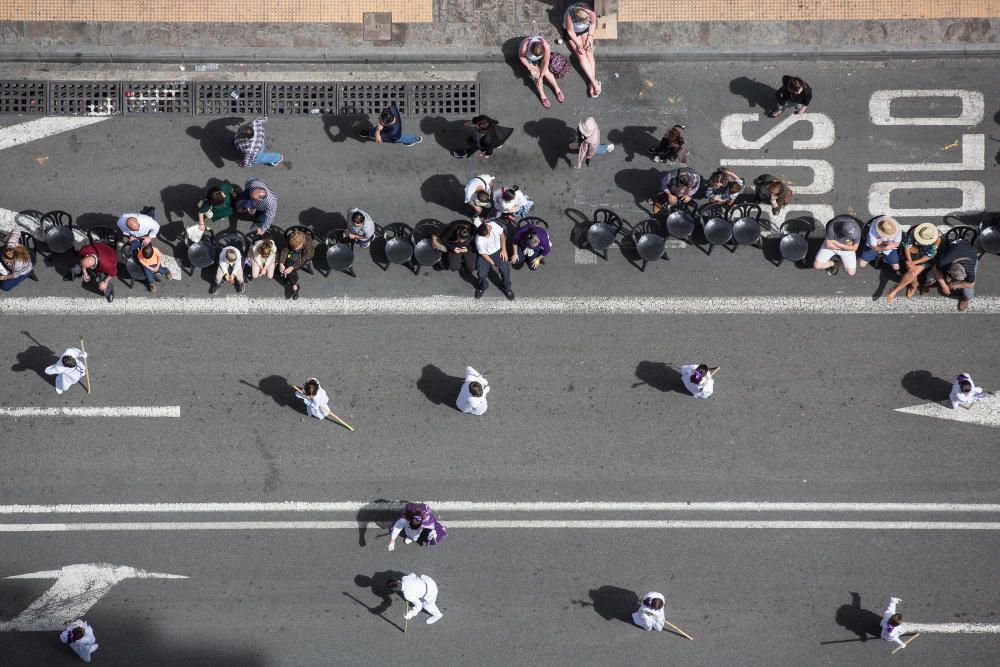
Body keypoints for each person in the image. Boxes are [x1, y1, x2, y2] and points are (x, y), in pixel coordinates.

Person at [885, 223, 940, 304]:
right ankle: (913, 285)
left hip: (924, 259)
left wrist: (913, 263)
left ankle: (901, 289)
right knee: (912, 271)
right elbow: (907, 247)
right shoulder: (913, 232)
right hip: (913, 254)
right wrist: (910, 261)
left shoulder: (937, 240)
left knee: (913, 272)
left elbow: (929, 256)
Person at [923, 237, 977, 311]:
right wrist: (944, 285)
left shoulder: (969, 270)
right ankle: (927, 284)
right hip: (955, 248)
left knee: (968, 293)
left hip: (970, 254)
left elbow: (971, 284)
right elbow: (935, 269)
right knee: (929, 278)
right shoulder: (945, 262)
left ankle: (965, 299)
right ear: (949, 270)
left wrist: (954, 285)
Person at [563, 2, 601, 98]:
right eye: (586, 20)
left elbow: (593, 23)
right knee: (581, 55)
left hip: (584, 30)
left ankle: (593, 82)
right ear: (578, 19)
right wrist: (578, 43)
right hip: (573, 33)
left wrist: (590, 37)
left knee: (589, 52)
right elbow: (570, 31)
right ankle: (594, 83)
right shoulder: (569, 15)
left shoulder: (590, 12)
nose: (589, 19)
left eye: (588, 18)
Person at [518, 36, 565, 108]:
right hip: (529, 59)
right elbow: (521, 56)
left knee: (546, 72)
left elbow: (546, 62)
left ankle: (557, 89)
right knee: (536, 75)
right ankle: (543, 95)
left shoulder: (546, 46)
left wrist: (542, 76)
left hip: (540, 57)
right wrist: (529, 67)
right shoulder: (525, 46)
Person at [475, 220, 513, 300]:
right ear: (486, 234)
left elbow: (502, 236)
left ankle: (507, 288)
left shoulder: (493, 225)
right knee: (481, 274)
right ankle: (483, 286)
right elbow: (483, 253)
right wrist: (492, 262)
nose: (490, 226)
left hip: (498, 250)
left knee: (505, 270)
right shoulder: (479, 241)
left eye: (487, 225)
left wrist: (504, 250)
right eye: (489, 228)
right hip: (486, 254)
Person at [277, 230, 314, 300]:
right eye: (293, 247)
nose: (294, 249)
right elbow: (285, 250)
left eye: (296, 247)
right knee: (287, 262)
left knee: (290, 267)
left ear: (302, 243)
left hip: (305, 256)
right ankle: (294, 285)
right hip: (295, 254)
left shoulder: (308, 243)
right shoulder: (290, 238)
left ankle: (292, 282)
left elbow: (303, 258)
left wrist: (292, 267)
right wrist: (281, 263)